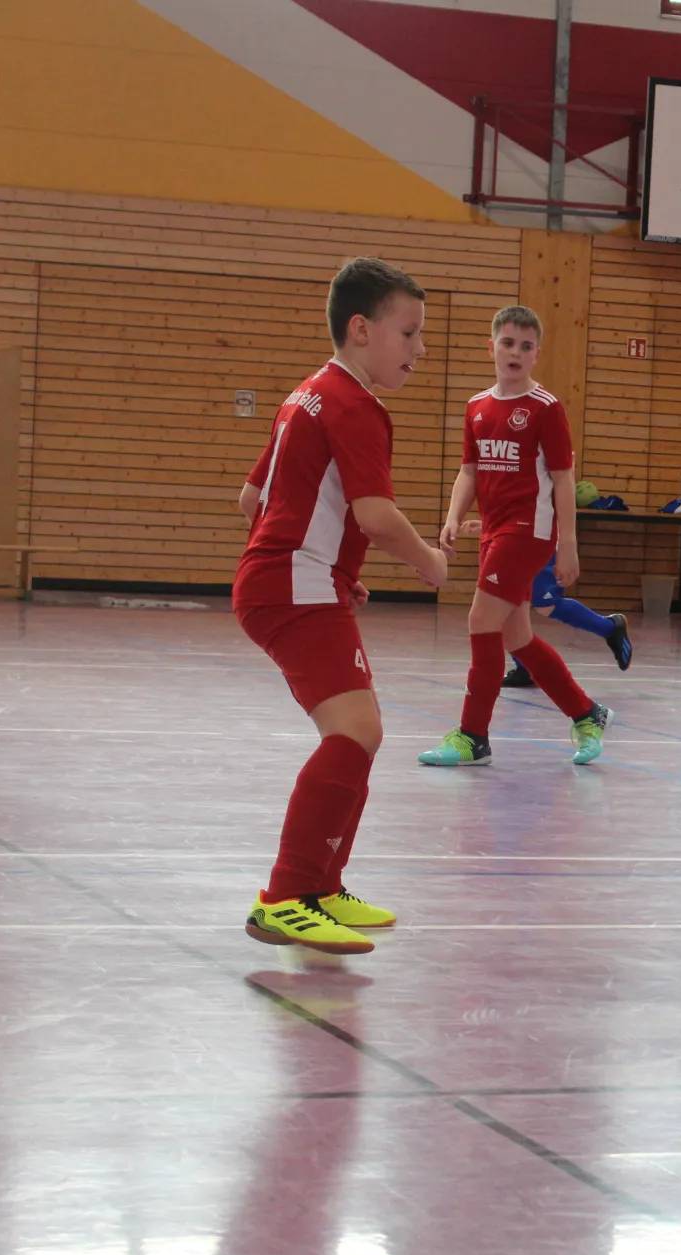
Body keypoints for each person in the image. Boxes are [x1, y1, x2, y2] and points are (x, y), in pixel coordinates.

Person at [232, 257, 448, 955]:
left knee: (363, 731)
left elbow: (251, 500)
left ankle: (324, 886)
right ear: (361, 329)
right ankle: (285, 898)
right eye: (409, 333)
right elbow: (375, 515)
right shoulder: (357, 406)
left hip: (292, 578)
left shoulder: (307, 394)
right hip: (293, 584)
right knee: (354, 731)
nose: (420, 348)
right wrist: (429, 561)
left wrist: (329, 565)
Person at [418, 306, 613, 768]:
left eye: (526, 346)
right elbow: (470, 470)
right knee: (516, 637)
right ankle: (586, 713)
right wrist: (453, 516)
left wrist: (568, 544)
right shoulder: (476, 407)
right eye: (507, 343)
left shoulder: (545, 408)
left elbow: (563, 479)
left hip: (529, 533)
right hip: (494, 532)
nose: (515, 352)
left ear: (536, 354)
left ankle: (473, 737)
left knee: (480, 620)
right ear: (492, 347)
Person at [501, 560, 631, 688]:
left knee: (547, 605)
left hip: (535, 548)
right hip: (508, 548)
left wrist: (567, 550)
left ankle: (609, 627)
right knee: (505, 601)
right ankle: (524, 667)